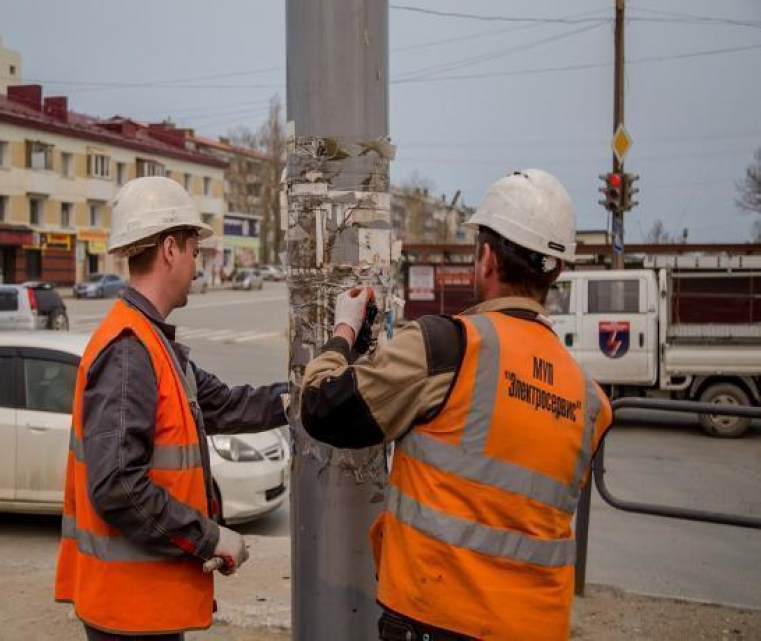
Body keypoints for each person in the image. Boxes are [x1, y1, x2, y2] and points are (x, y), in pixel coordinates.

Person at [301, 169, 613, 641]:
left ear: (485, 259)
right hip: (536, 628)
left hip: (436, 619)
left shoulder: (447, 347)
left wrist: (345, 331)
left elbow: (323, 409)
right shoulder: (591, 402)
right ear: (559, 271)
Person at [55, 176, 289, 640]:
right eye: (194, 252)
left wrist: (298, 399)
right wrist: (210, 536)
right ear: (169, 249)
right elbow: (119, 486)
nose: (198, 267)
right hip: (128, 612)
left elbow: (223, 403)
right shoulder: (129, 351)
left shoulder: (152, 341)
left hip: (145, 606)